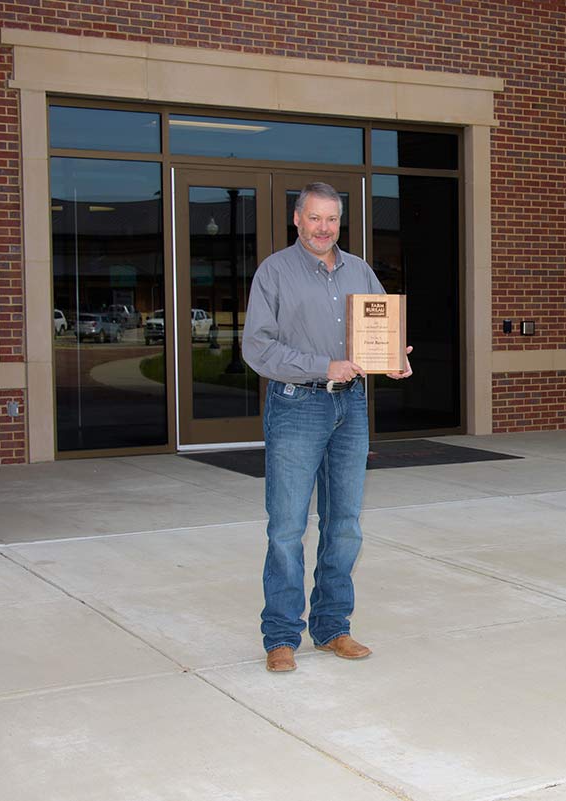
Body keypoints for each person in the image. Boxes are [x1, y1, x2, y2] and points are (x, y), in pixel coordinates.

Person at [243, 181, 412, 673]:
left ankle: (333, 627)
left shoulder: (360, 271)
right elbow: (259, 347)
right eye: (315, 218)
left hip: (351, 409)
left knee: (344, 526)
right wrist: (324, 365)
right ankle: (280, 636)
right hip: (297, 405)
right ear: (297, 219)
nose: (324, 228)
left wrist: (395, 357)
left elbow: (386, 332)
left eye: (332, 219)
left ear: (341, 222)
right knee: (287, 527)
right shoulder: (274, 272)